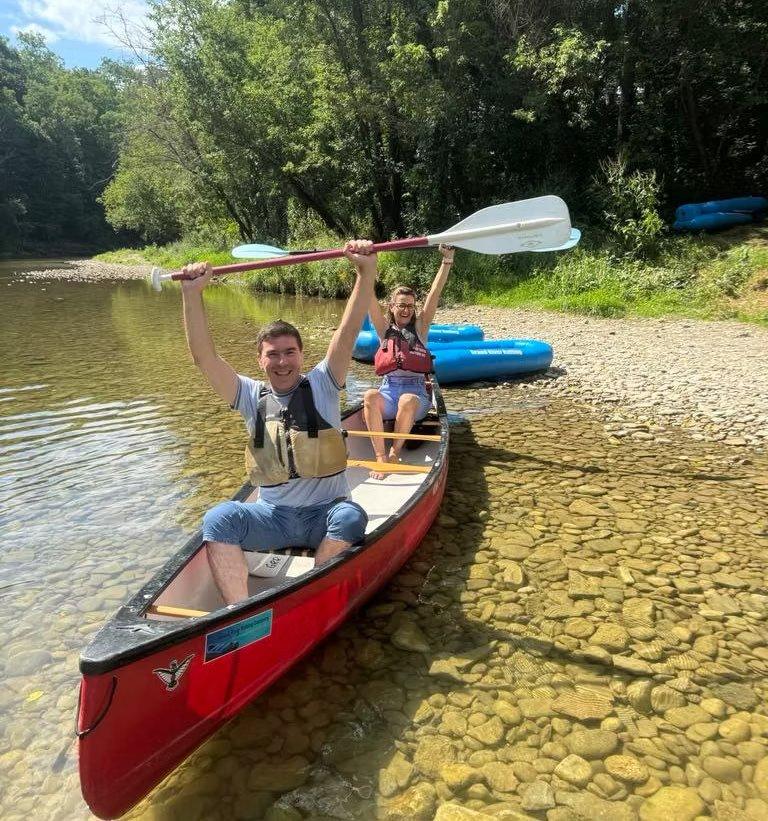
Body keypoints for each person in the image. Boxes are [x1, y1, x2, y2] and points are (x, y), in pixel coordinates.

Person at [180, 240, 378, 605]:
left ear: (302, 355)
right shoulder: (247, 395)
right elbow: (203, 357)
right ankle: (238, 611)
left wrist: (365, 272)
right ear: (260, 360)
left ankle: (311, 595)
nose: (282, 362)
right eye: (273, 355)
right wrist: (192, 295)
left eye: (290, 352)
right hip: (274, 516)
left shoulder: (323, 381)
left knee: (352, 517)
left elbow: (347, 331)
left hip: (326, 513)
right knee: (218, 519)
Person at [363, 244, 455, 479]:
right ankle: (381, 458)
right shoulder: (383, 329)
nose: (406, 310)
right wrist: (362, 267)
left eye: (410, 306)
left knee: (407, 399)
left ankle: (395, 454)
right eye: (401, 305)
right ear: (392, 307)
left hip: (416, 398)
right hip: (389, 394)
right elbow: (369, 297)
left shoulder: (421, 328)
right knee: (370, 395)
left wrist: (447, 261)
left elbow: (435, 294)